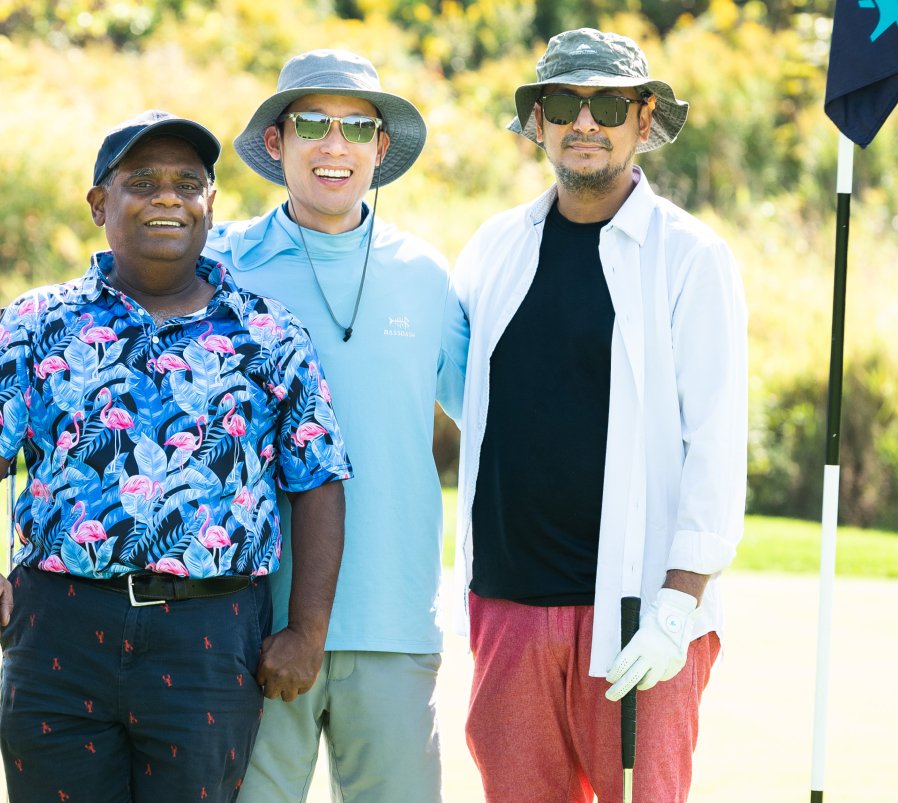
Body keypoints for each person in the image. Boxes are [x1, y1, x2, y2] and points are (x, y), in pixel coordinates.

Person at [0, 110, 352, 803]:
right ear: (100, 203)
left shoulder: (268, 333)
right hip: (58, 626)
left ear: (211, 207)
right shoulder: (38, 321)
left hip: (208, 635)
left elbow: (318, 483)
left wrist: (307, 630)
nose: (168, 198)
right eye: (144, 183)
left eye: (188, 184)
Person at [450, 29, 748, 803]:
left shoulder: (690, 255)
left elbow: (715, 443)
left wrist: (677, 610)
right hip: (508, 604)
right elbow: (471, 400)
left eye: (609, 103)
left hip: (639, 612)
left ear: (642, 121)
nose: (586, 122)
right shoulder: (492, 246)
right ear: (537, 122)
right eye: (563, 103)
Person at [202, 49, 468, 802]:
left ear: (380, 151)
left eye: (357, 127)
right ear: (277, 142)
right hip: (248, 619)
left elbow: (490, 413)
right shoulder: (221, 266)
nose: (334, 145)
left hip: (392, 619)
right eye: (313, 123)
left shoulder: (425, 274)